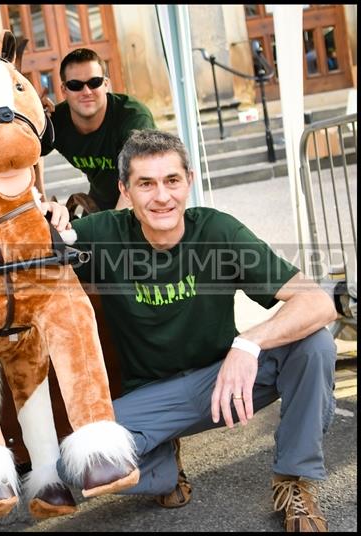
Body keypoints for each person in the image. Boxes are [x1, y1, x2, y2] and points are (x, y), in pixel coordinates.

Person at [69, 129, 338, 532]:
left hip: (224, 385)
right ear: (124, 189)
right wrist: (47, 221)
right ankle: (161, 466)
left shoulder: (216, 230)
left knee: (314, 344)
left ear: (189, 181)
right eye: (146, 184)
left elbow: (317, 302)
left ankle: (293, 479)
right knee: (74, 465)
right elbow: (26, 254)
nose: (162, 196)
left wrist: (248, 344)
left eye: (172, 181)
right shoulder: (101, 233)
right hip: (153, 397)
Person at [41, 48, 155, 211]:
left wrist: (114, 225)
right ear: (64, 90)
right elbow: (25, 156)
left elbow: (142, 176)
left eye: (94, 82)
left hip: (145, 200)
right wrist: (31, 121)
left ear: (106, 84)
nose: (86, 92)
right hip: (100, 201)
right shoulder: (56, 121)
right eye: (75, 85)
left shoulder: (133, 116)